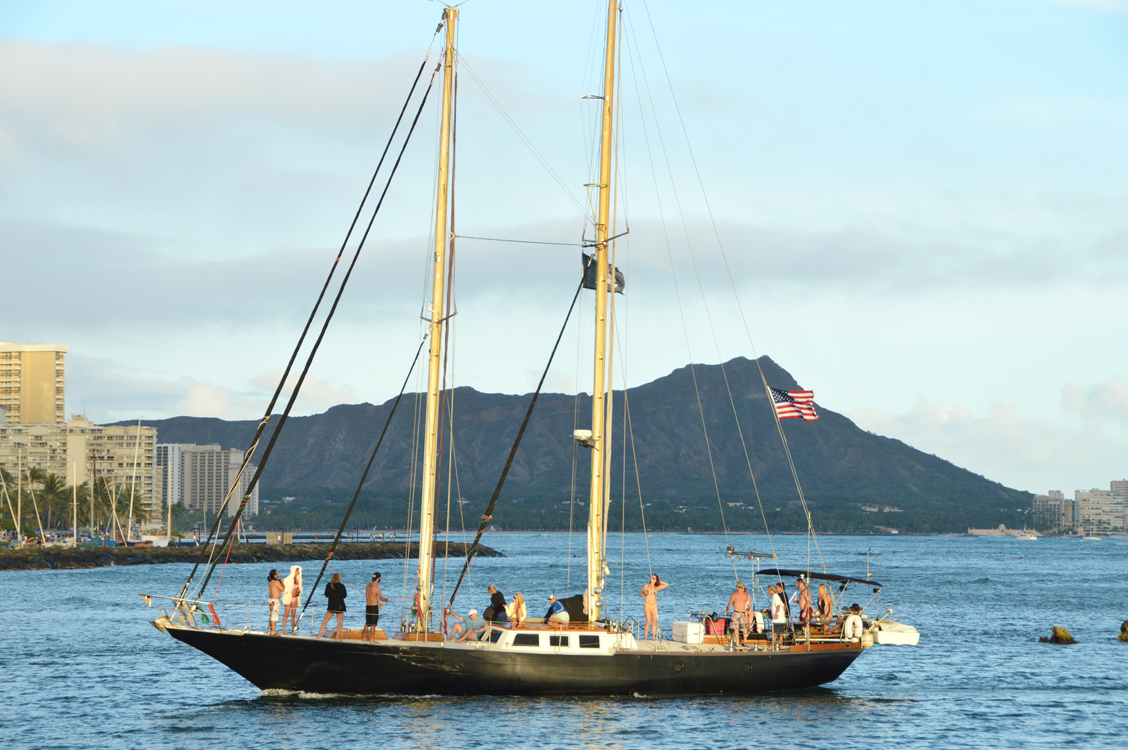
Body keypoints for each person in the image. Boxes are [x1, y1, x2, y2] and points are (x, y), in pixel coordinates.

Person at [317, 573, 347, 639]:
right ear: (339, 578)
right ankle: (337, 637)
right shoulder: (341, 586)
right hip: (340, 605)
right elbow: (344, 595)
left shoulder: (329, 585)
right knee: (339, 622)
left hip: (331, 605)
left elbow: (326, 594)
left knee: (325, 621)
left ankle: (319, 635)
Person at [640, 573, 669, 640]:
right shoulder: (646, 586)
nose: (652, 579)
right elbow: (640, 595)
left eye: (653, 578)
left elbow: (666, 584)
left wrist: (659, 581)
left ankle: (653, 637)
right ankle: (645, 637)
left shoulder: (656, 587)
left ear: (656, 580)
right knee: (648, 621)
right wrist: (644, 593)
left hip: (654, 605)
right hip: (647, 605)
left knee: (654, 622)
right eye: (651, 577)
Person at [725, 581, 752, 646]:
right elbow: (749, 606)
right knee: (744, 629)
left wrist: (727, 610)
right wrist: (749, 610)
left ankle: (737, 642)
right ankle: (745, 642)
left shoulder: (734, 594)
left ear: (737, 587)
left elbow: (730, 603)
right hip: (743, 613)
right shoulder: (747, 595)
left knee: (735, 628)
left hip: (736, 613)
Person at [364, 572, 389, 643]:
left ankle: (364, 637)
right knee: (373, 624)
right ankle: (372, 640)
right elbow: (381, 598)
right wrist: (386, 599)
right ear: (378, 578)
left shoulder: (368, 585)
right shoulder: (377, 589)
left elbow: (371, 596)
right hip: (373, 607)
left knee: (367, 623)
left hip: (368, 606)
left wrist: (378, 602)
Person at [282, 565, 302, 635]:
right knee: (286, 614)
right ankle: (284, 631)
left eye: (298, 571)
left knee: (293, 615)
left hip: (295, 598)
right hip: (289, 598)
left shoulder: (298, 579)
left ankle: (293, 631)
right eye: (297, 571)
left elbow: (298, 588)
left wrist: (299, 591)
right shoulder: (289, 579)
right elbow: (283, 585)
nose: (298, 572)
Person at [770, 583, 788, 649]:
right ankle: (777, 643)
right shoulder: (776, 595)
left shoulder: (779, 595)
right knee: (778, 631)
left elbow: (781, 605)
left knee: (778, 631)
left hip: (780, 616)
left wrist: (780, 613)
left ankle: (778, 643)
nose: (777, 588)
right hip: (779, 616)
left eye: (777, 587)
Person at [267, 569, 284, 636]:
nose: (278, 573)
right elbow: (283, 589)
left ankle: (271, 630)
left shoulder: (270, 582)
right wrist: (282, 582)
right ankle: (273, 631)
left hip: (270, 600)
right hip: (275, 601)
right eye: (277, 573)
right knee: (274, 616)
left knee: (272, 615)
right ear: (274, 575)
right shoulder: (276, 582)